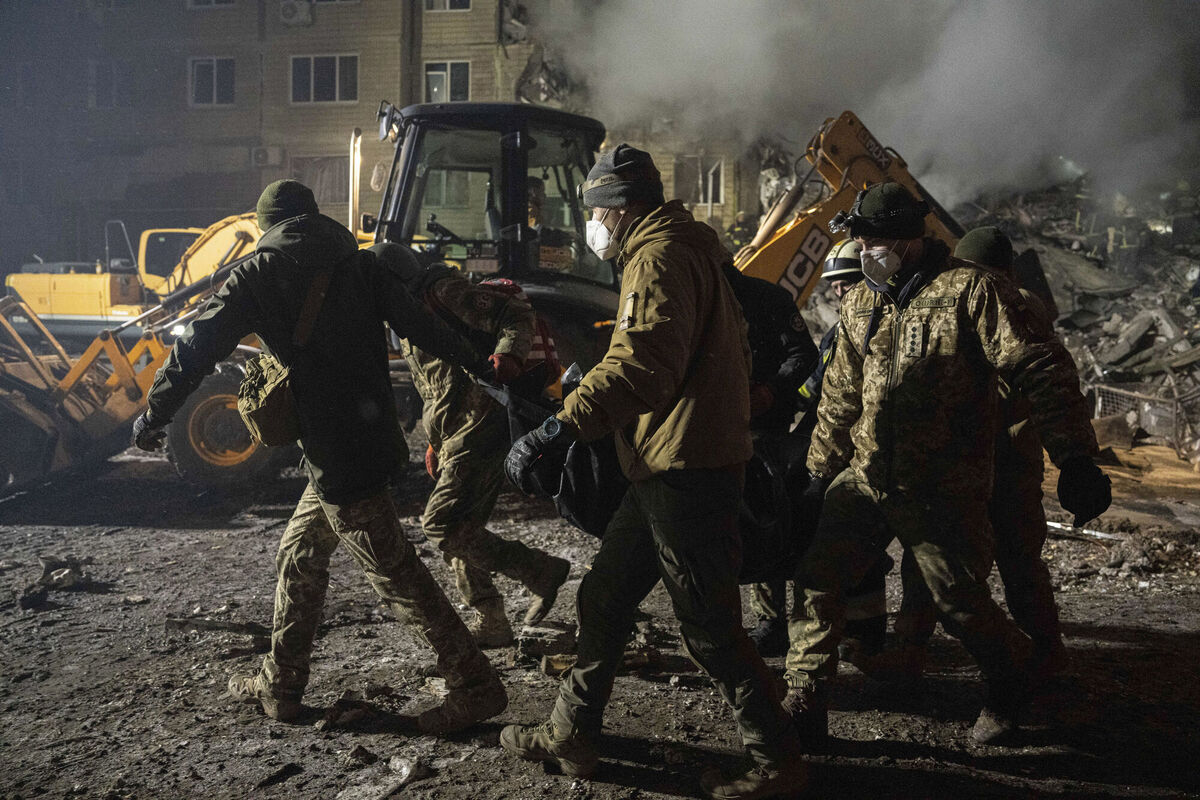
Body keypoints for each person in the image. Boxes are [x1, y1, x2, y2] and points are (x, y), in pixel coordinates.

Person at [131, 180, 506, 734]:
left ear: (268, 227)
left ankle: (475, 686)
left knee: (397, 576)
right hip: (369, 441)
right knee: (300, 554)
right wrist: (479, 362)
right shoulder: (361, 266)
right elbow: (423, 329)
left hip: (336, 457)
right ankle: (280, 684)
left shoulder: (257, 276)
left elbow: (194, 351)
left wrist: (156, 416)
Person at [501, 145, 807, 799]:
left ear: (621, 208)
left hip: (686, 466)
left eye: (595, 211)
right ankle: (570, 734)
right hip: (667, 459)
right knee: (605, 596)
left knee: (710, 625)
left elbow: (643, 364)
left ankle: (778, 758)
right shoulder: (685, 248)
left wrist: (561, 427)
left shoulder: (659, 254)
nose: (592, 224)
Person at [783, 183, 1111, 746]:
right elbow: (840, 397)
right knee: (818, 576)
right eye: (860, 242)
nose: (864, 253)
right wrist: (818, 473)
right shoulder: (863, 300)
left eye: (874, 241)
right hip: (867, 475)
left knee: (959, 599)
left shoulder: (972, 293)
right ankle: (804, 698)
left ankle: (1014, 681)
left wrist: (1076, 457)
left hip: (942, 485)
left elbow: (1041, 369)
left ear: (909, 242)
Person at [370, 242, 571, 649]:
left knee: (440, 524)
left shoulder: (443, 293)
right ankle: (491, 617)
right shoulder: (405, 313)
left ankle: (540, 571)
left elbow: (515, 313)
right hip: (456, 431)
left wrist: (508, 355)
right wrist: (434, 440)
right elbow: (435, 387)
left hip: (483, 423)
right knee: (463, 529)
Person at [888, 226, 1067, 679]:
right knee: (1010, 561)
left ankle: (918, 657)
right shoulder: (1017, 304)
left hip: (987, 460)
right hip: (999, 461)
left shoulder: (1008, 305)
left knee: (942, 561)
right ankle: (1046, 658)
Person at [747, 241, 894, 670]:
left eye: (847, 284)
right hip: (816, 446)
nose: (839, 294)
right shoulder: (837, 332)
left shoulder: (883, 328)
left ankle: (866, 633)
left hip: (858, 454)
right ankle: (784, 625)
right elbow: (814, 386)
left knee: (857, 544)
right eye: (834, 287)